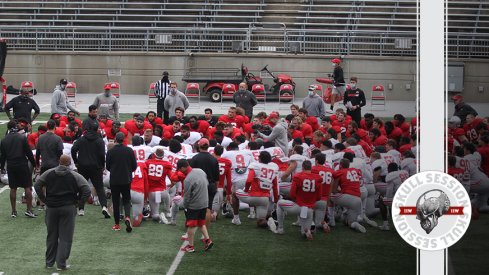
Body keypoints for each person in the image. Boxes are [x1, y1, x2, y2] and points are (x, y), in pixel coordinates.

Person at [34, 155, 91, 271]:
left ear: (58, 162)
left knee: (51, 236)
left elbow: (37, 185)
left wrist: (44, 200)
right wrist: (79, 203)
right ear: (69, 163)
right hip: (68, 208)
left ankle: (49, 263)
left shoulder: (49, 173)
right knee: (65, 237)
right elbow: (87, 190)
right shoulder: (75, 175)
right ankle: (61, 264)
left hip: (52, 208)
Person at [275, 160, 322, 240]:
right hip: (309, 209)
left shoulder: (298, 176)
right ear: (311, 167)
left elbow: (292, 193)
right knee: (304, 232)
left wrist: (296, 200)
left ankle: (280, 228)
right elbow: (319, 196)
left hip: (299, 206)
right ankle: (306, 231)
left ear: (302, 167)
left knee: (279, 203)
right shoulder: (318, 178)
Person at [71, 122, 110, 218]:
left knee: (81, 187)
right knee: (99, 188)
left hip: (83, 166)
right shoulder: (100, 140)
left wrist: (76, 161)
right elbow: (102, 155)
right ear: (97, 130)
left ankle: (81, 209)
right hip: (96, 166)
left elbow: (73, 149)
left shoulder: (81, 139)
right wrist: (102, 164)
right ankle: (104, 206)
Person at [0, 120, 37, 218]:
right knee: (27, 186)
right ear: (16, 127)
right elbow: (28, 153)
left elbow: (2, 156)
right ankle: (29, 210)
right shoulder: (22, 138)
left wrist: (2, 168)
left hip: (11, 165)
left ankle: (13, 211)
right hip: (22, 164)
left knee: (13, 188)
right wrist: (34, 164)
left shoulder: (4, 140)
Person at [177, 159, 214, 253]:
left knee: (191, 226)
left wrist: (184, 206)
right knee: (201, 223)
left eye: (180, 169)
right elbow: (206, 183)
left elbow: (187, 196)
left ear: (182, 168)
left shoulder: (188, 179)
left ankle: (190, 246)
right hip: (205, 202)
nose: (179, 171)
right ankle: (208, 240)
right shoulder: (200, 171)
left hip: (194, 205)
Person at [106, 132, 138, 232]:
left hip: (115, 179)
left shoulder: (110, 151)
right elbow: (134, 166)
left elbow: (108, 167)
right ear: (124, 139)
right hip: (126, 179)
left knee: (115, 202)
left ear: (115, 139)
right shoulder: (129, 150)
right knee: (126, 200)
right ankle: (127, 217)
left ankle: (117, 224)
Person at [189, 138, 219, 226]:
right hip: (210, 185)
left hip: (198, 186)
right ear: (208, 146)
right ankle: (204, 231)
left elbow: (191, 175)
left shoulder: (195, 158)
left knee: (194, 207)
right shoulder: (213, 159)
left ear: (199, 146)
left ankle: (193, 226)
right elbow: (217, 177)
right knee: (208, 208)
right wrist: (215, 188)